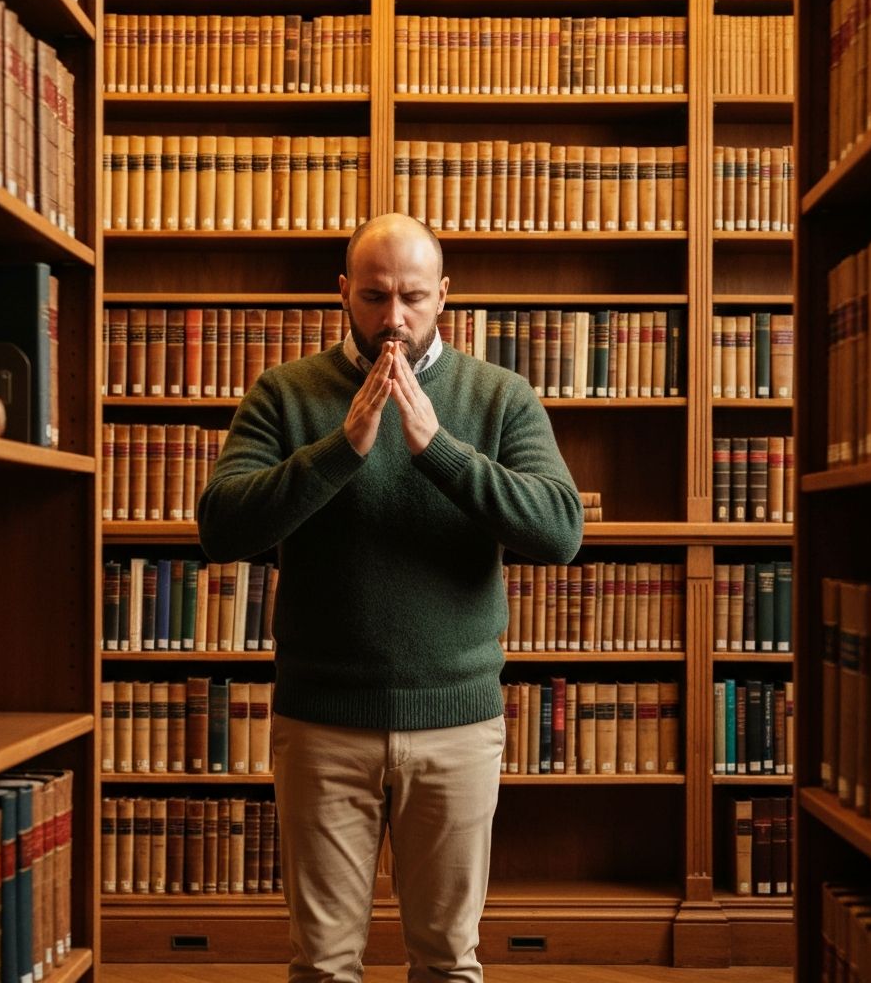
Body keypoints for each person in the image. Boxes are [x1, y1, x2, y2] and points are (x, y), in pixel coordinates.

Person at [197, 212, 584, 982]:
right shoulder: (285, 393)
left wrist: (436, 449)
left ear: (445, 296)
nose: (394, 319)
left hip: (456, 724)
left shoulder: (499, 396)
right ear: (343, 294)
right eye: (374, 297)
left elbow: (559, 532)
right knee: (324, 964)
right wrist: (344, 447)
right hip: (321, 724)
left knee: (447, 960)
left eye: (413, 296)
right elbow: (222, 528)